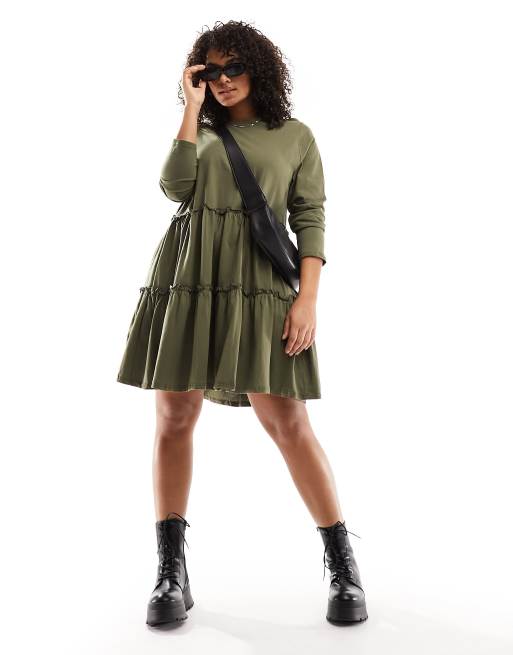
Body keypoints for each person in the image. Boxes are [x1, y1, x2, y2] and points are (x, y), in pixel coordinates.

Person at [116, 20, 368, 627]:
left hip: (260, 288)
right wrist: (190, 109)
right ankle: (171, 572)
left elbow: (309, 218)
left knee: (288, 421)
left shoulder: (294, 136)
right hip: (189, 280)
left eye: (234, 68)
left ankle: (343, 565)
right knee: (174, 416)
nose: (223, 80)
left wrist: (307, 301)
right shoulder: (200, 133)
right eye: (211, 71)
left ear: (258, 70)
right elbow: (175, 187)